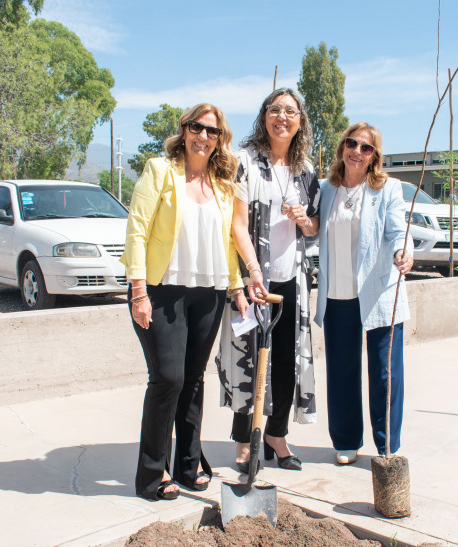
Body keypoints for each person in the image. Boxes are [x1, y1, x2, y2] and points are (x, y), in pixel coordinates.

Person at [121, 103, 246, 501]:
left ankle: (189, 466)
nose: (204, 136)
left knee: (193, 381)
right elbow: (137, 231)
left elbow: (229, 242)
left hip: (208, 293)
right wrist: (138, 290)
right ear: (185, 129)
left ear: (220, 139)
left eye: (212, 131)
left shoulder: (224, 185)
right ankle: (151, 475)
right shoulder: (160, 170)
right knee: (168, 380)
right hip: (161, 291)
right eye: (197, 127)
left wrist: (237, 286)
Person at [216, 88, 320, 473]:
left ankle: (276, 435)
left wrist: (303, 219)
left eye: (290, 111)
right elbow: (236, 224)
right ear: (264, 118)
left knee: (286, 359)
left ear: (300, 121)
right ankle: (244, 440)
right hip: (254, 277)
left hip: (291, 276)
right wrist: (250, 274)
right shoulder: (244, 162)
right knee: (250, 359)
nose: (282, 117)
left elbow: (313, 227)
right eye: (275, 110)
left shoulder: (306, 170)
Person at [313, 122, 413, 465]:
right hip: (337, 295)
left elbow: (399, 230)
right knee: (341, 372)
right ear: (342, 147)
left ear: (374, 157)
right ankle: (346, 441)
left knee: (386, 374)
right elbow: (313, 233)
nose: (357, 151)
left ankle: (388, 445)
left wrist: (404, 250)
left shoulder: (388, 189)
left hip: (379, 292)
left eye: (366, 148)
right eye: (351, 143)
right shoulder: (326, 189)